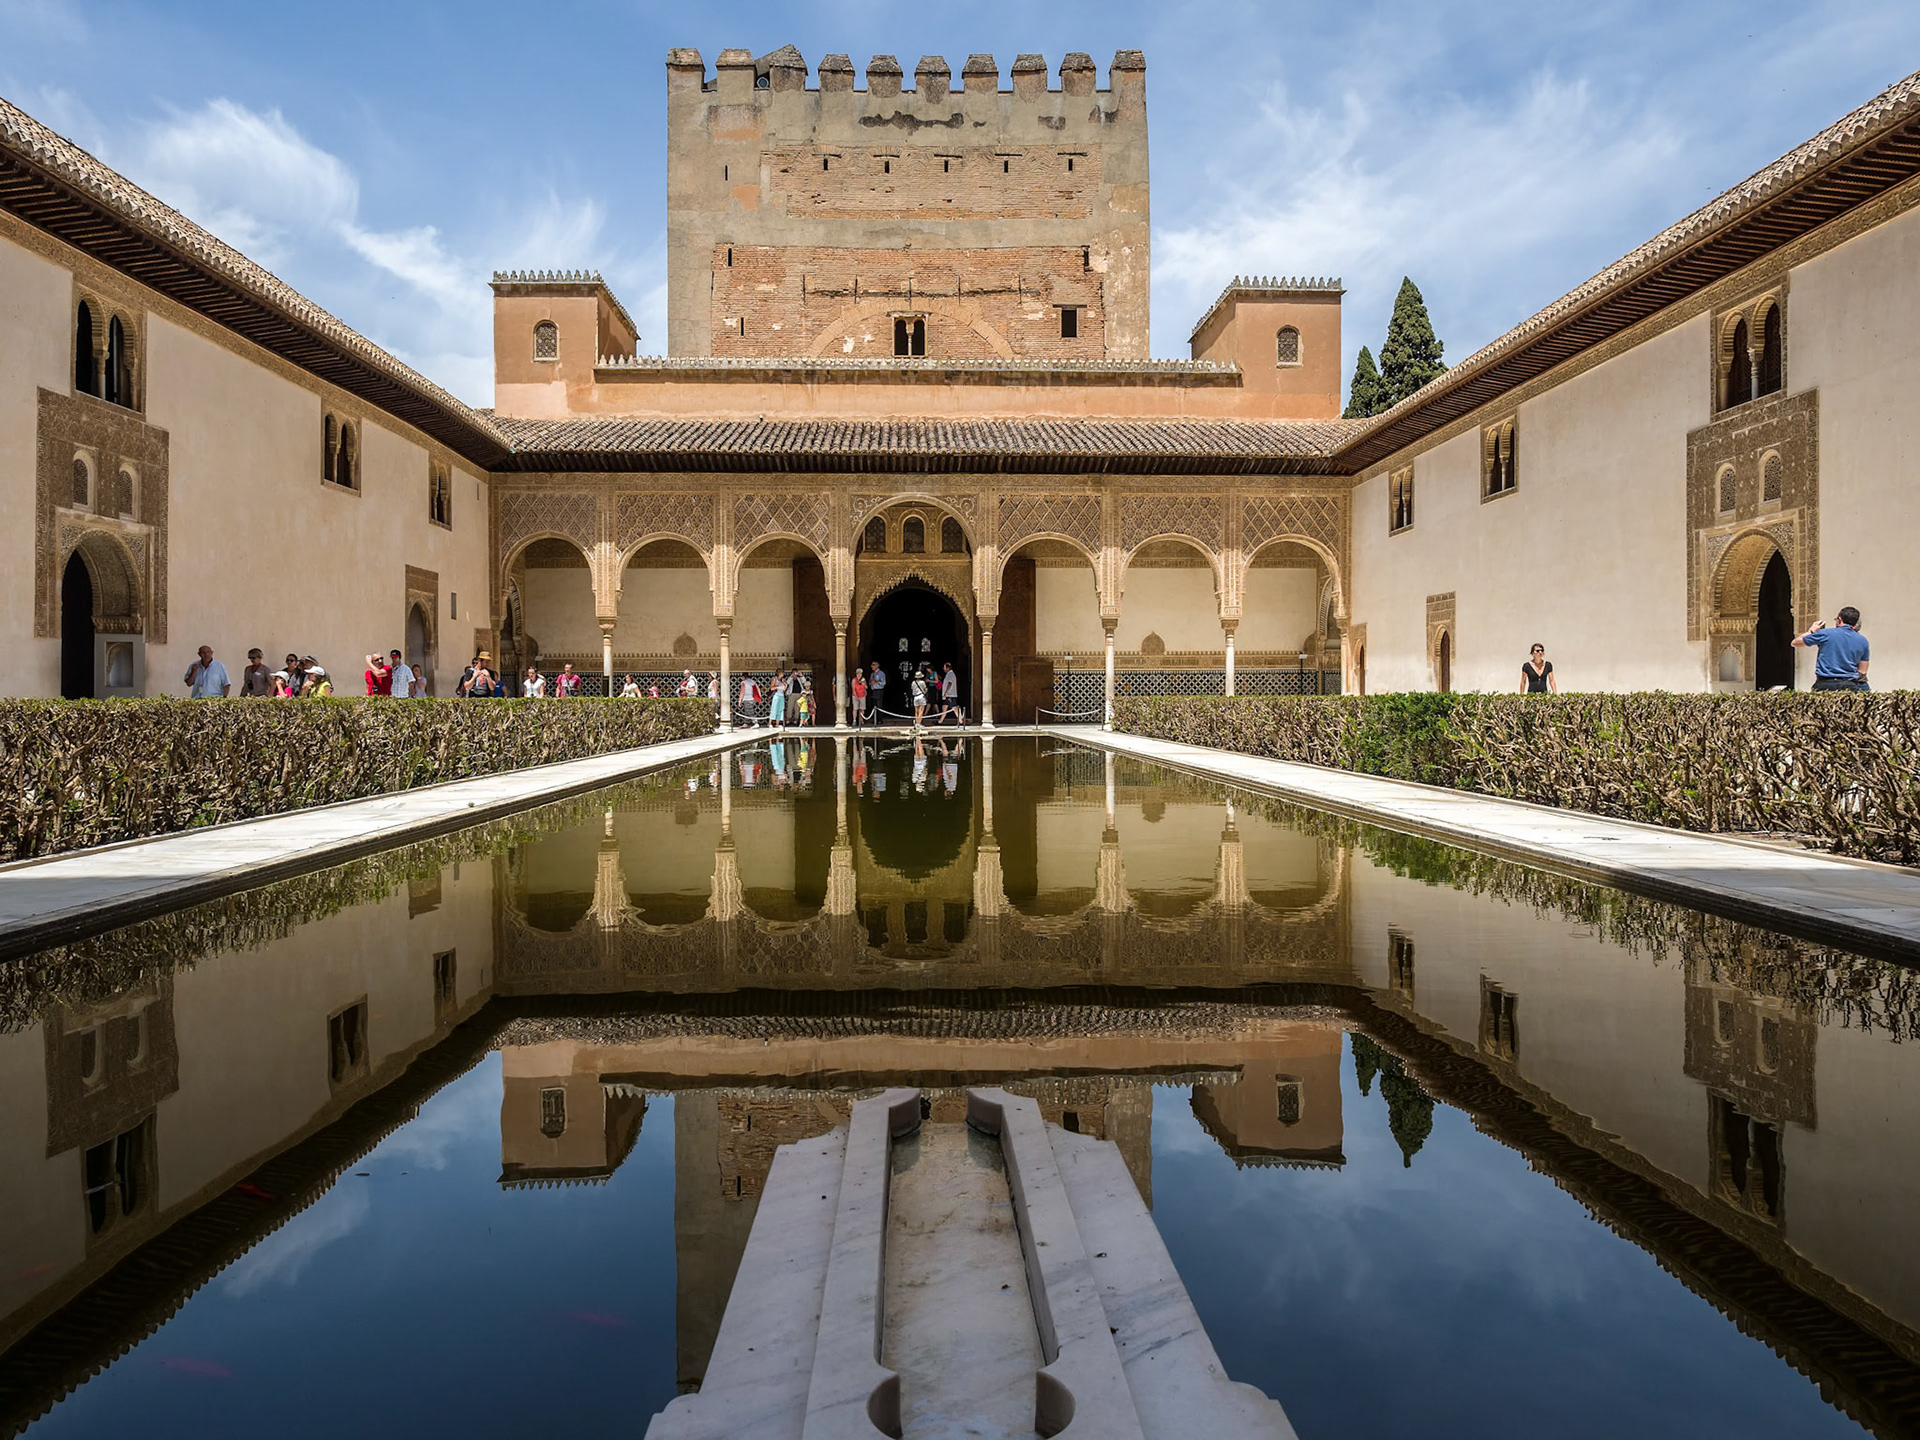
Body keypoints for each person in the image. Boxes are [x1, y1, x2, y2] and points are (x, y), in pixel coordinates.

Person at [1793, 607, 1871, 692]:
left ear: (1839, 620)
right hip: (1849, 685)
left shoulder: (1825, 633)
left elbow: (1795, 642)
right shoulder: (1863, 641)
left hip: (1824, 684)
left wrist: (1811, 631)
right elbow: (1863, 670)